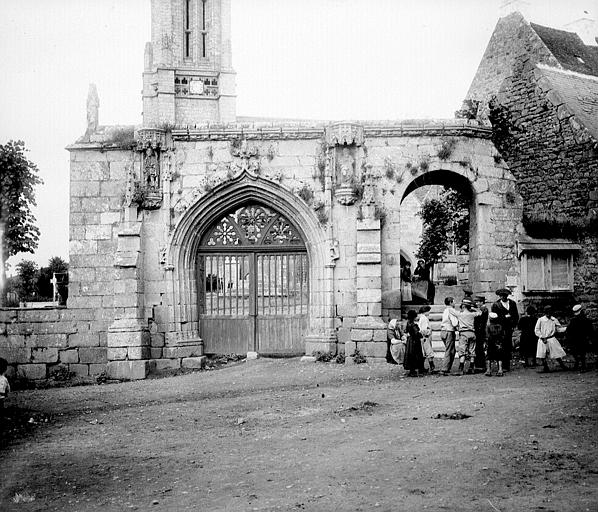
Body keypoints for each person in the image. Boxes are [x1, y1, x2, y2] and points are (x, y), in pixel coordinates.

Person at [491, 288, 519, 372]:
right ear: (499, 296)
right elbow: (494, 317)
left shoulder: (512, 303)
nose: (503, 297)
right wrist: (504, 317)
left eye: (505, 296)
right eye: (501, 296)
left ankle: (507, 365)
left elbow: (516, 315)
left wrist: (513, 324)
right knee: (500, 346)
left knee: (507, 346)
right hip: (500, 328)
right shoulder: (496, 305)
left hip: (508, 328)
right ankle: (501, 365)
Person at [535, 305, 568, 373]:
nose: (548, 313)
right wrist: (542, 337)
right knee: (542, 354)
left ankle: (562, 365)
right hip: (543, 339)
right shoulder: (541, 320)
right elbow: (537, 330)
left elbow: (558, 329)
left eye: (550, 311)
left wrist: (566, 328)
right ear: (545, 312)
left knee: (557, 352)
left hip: (551, 338)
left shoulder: (554, 320)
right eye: (547, 312)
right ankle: (545, 367)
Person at [457, 298, 482, 375]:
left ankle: (461, 368)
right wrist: (474, 308)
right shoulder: (472, 314)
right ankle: (472, 368)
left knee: (462, 351)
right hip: (472, 333)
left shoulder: (460, 314)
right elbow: (480, 312)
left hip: (463, 333)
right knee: (472, 351)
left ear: (463, 306)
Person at [566, 304, 594, 372]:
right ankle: (583, 366)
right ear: (582, 311)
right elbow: (590, 331)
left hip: (575, 339)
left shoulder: (573, 321)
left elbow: (568, 330)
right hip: (582, 339)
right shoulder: (586, 320)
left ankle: (579, 364)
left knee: (577, 352)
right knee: (582, 353)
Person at [440, 296, 459, 375]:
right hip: (449, 331)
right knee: (449, 350)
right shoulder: (452, 310)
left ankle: (447, 367)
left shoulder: (445, 310)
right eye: (453, 301)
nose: (454, 303)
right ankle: (445, 368)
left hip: (443, 331)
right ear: (451, 303)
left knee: (451, 350)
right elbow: (454, 323)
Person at [403, 309, 425, 377]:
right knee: (416, 355)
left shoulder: (408, 323)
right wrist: (421, 335)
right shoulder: (413, 324)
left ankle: (412, 370)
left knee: (410, 355)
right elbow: (416, 333)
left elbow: (406, 330)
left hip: (410, 340)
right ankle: (415, 370)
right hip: (414, 341)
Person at [485, 312, 505, 376]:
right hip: (499, 343)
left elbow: (487, 335)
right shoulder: (500, 326)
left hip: (491, 342)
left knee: (489, 357)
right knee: (499, 357)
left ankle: (488, 370)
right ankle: (500, 369)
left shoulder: (488, 326)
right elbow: (503, 335)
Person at [418, 306, 436, 373]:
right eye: (428, 311)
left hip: (423, 337)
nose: (429, 312)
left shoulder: (422, 318)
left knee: (425, 352)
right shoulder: (424, 318)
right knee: (428, 352)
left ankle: (422, 368)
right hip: (425, 337)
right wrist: (428, 332)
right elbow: (424, 329)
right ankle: (432, 367)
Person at [473, 295, 489, 372]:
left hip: (480, 331)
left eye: (478, 302)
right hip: (480, 330)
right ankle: (480, 364)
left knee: (479, 348)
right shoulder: (482, 309)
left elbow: (480, 320)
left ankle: (480, 365)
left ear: (482, 302)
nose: (477, 303)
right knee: (479, 348)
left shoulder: (483, 309)